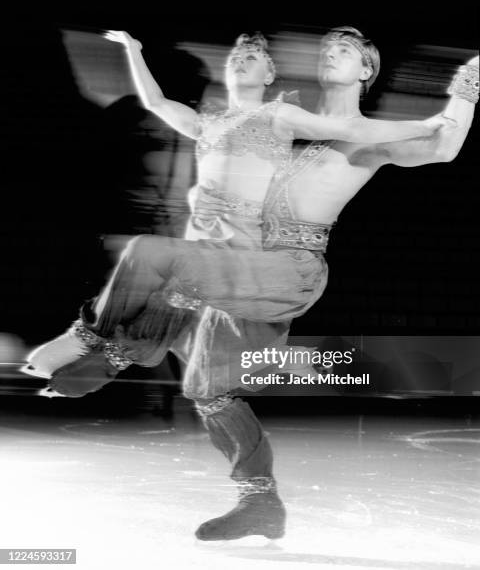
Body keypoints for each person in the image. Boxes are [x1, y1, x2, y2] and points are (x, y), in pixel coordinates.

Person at [22, 30, 461, 541]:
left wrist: (439, 116)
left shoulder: (283, 117)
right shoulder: (211, 122)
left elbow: (357, 130)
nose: (243, 61)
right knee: (209, 390)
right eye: (237, 56)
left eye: (255, 56)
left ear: (272, 75)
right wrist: (136, 51)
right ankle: (260, 501)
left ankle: (99, 348)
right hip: (213, 270)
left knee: (152, 260)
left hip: (256, 268)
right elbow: (156, 101)